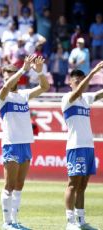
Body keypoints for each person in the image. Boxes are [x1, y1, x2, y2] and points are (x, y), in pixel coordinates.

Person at [0, 55, 50, 230]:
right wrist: (22, 69)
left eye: (10, 76)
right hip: (10, 143)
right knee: (9, 185)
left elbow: (45, 86)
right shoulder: (2, 96)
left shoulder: (24, 95)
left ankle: (15, 220)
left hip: (25, 143)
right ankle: (6, 222)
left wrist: (40, 72)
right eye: (6, 77)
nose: (8, 80)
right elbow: (5, 87)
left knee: (19, 185)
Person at [62, 64, 103, 230]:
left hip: (88, 146)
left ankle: (81, 220)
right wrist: (93, 72)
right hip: (75, 146)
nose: (79, 84)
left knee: (83, 185)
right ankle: (69, 222)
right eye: (76, 81)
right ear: (70, 83)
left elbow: (100, 93)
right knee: (73, 184)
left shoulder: (86, 99)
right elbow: (78, 92)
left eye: (81, 81)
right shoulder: (67, 98)